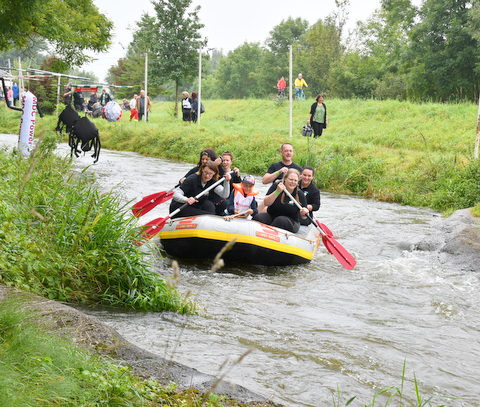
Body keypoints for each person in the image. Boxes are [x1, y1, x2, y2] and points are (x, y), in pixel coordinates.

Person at [253, 169, 309, 233]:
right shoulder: (276, 186)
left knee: (280, 220)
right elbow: (266, 203)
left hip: (291, 221)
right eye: (290, 179)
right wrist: (277, 191)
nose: (293, 182)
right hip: (272, 216)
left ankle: (270, 235)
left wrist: (304, 213)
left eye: (295, 180)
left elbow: (304, 216)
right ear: (285, 179)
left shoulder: (300, 194)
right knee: (259, 217)